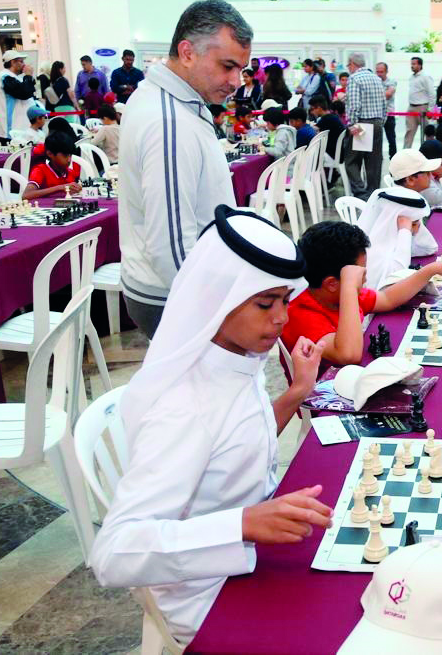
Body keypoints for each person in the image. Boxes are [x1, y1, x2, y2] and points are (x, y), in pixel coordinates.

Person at [91, 206, 334, 646]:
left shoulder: (236, 360)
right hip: (209, 594)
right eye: (265, 303)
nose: (281, 318)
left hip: (253, 557)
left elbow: (237, 442)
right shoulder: (184, 405)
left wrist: (297, 392)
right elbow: (112, 554)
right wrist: (241, 525)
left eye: (285, 300)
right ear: (218, 297)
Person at [119, 0, 252, 338]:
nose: (236, 80)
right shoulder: (168, 120)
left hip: (180, 289)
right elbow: (171, 246)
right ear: (188, 52)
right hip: (176, 296)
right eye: (227, 66)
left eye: (241, 69)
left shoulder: (174, 101)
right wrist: (215, 309)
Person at [282, 220, 442, 363]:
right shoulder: (301, 315)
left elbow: (386, 299)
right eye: (360, 273)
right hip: (325, 403)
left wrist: (430, 270)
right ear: (332, 283)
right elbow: (349, 355)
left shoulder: (337, 294)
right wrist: (348, 288)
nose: (365, 278)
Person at [356, 186, 439, 289]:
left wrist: (409, 227)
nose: (417, 228)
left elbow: (430, 248)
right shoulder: (373, 250)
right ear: (392, 221)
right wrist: (405, 231)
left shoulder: (392, 238)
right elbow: (398, 275)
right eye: (414, 224)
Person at [342, 53, 386, 200]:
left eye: (349, 65)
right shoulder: (377, 78)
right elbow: (384, 104)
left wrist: (352, 124)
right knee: (374, 163)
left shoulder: (354, 79)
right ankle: (373, 194)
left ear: (352, 64)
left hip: (361, 124)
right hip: (378, 122)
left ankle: (361, 193)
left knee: (351, 161)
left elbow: (354, 105)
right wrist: (381, 121)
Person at [24, 132, 81, 199]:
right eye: (65, 156)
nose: (69, 160)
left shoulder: (71, 173)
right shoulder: (40, 170)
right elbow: (26, 195)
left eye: (70, 155)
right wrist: (60, 187)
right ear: (50, 153)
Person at [0, 50, 36, 139]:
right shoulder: (4, 76)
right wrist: (28, 76)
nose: (24, 64)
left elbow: (29, 91)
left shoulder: (16, 78)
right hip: (10, 129)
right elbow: (24, 93)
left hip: (21, 127)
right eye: (21, 61)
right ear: (13, 62)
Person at [404, 56, 433, 149]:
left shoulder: (426, 77)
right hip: (411, 107)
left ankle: (430, 151)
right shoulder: (411, 77)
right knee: (409, 131)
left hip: (423, 107)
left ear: (420, 65)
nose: (412, 66)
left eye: (414, 64)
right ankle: (405, 153)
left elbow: (432, 93)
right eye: (411, 64)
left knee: (427, 132)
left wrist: (430, 109)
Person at [375, 62, 398, 158]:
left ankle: (393, 158)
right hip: (377, 115)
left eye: (381, 72)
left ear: (386, 71)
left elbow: (388, 95)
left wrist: (375, 94)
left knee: (391, 138)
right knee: (376, 139)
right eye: (377, 72)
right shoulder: (374, 81)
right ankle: (377, 157)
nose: (379, 74)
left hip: (389, 114)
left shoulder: (392, 81)